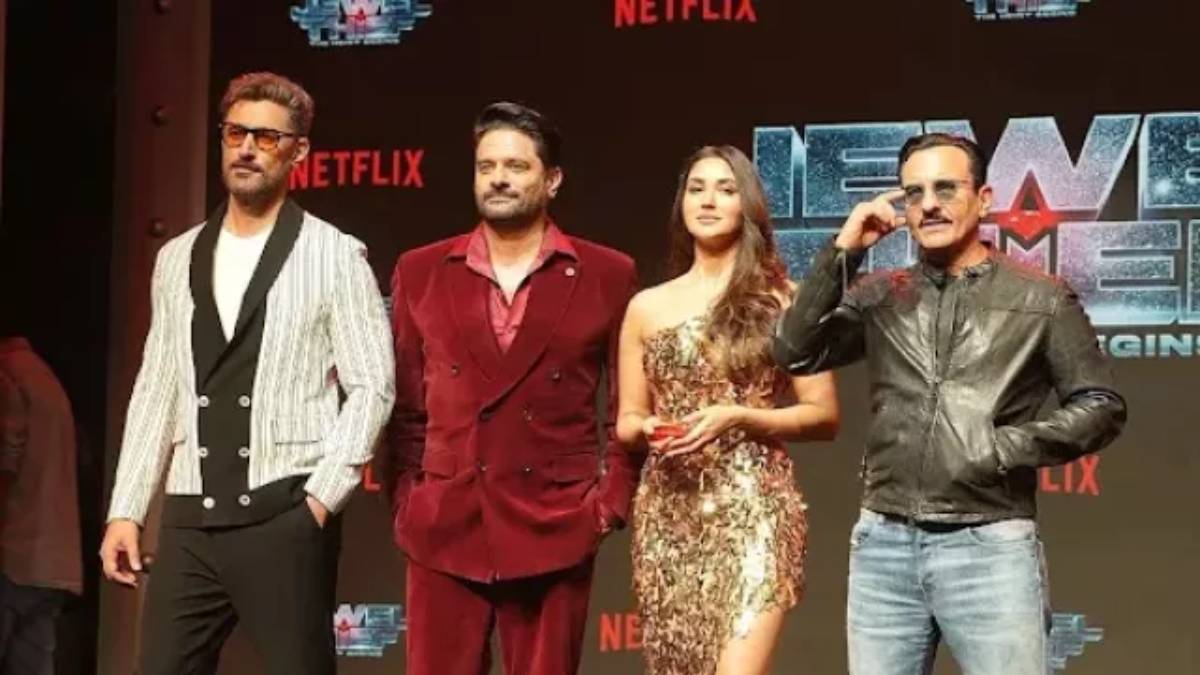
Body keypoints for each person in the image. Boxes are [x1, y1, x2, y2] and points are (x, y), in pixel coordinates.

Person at [773, 133, 1127, 675]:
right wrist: (845, 250)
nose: (929, 204)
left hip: (989, 543)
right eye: (914, 193)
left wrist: (1001, 447)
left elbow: (1101, 404)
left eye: (945, 188)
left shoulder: (1042, 298)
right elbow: (793, 351)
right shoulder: (880, 294)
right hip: (884, 543)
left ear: (983, 199)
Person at [98, 71, 395, 675]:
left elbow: (373, 385)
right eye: (236, 133)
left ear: (298, 151)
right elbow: (158, 387)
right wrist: (126, 508)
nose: (247, 149)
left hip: (283, 512)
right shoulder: (176, 257)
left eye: (266, 137)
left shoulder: (335, 254)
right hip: (190, 518)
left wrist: (320, 500)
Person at [387, 101, 639, 675]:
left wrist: (607, 507)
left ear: (552, 180)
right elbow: (405, 409)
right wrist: (407, 504)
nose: (498, 178)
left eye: (516, 166)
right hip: (442, 526)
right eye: (486, 166)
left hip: (555, 525)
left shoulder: (607, 273)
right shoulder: (421, 270)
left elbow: (627, 406)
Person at [616, 146, 840, 675]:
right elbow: (626, 420)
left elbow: (823, 414)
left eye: (725, 189)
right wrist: (649, 428)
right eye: (696, 189)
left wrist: (739, 416)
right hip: (668, 515)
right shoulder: (646, 307)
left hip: (754, 509)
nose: (708, 201)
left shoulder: (785, 301)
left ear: (749, 206)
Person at [0, 333, 81, 675]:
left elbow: (6, 462)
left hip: (13, 555)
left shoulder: (8, 374)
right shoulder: (45, 378)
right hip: (52, 562)